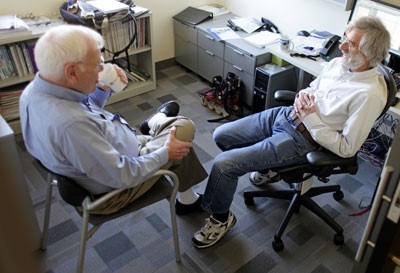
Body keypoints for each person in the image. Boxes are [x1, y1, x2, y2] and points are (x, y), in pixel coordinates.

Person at [188, 16, 391, 248]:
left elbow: (347, 148)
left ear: (369, 54)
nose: (342, 46)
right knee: (221, 136)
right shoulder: (339, 63)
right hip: (285, 115)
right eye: (345, 37)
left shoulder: (369, 94)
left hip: (303, 140)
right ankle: (270, 168)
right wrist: (304, 94)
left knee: (224, 165)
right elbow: (314, 88)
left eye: (351, 43)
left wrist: (310, 117)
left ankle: (221, 219)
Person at [19, 24, 207, 215]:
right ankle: (156, 122)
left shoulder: (35, 91)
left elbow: (84, 112)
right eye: (97, 65)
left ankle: (187, 198)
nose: (102, 69)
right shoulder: (71, 124)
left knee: (177, 139)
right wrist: (166, 153)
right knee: (183, 128)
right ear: (72, 72)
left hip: (109, 151)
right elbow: (124, 175)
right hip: (116, 188)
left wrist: (102, 88)